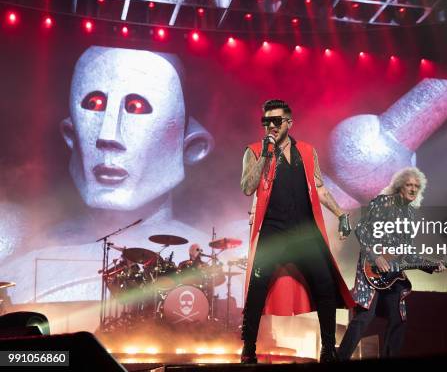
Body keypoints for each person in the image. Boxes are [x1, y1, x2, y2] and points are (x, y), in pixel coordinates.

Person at [0, 46, 215, 304]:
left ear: (192, 145)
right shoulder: (21, 257)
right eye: (94, 104)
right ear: (71, 134)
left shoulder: (211, 262)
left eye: (137, 107)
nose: (107, 136)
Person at [239, 99, 355, 363]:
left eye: (276, 121)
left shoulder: (306, 151)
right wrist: (267, 154)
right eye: (266, 121)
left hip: (304, 233)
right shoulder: (255, 151)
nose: (270, 126)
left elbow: (320, 188)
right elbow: (248, 186)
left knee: (325, 286)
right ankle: (248, 349)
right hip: (273, 230)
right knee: (257, 289)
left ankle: (328, 348)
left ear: (289, 123)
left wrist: (340, 214)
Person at [337, 167, 445, 360]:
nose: (413, 189)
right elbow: (362, 229)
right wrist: (375, 255)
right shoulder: (383, 203)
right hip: (372, 268)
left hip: (393, 275)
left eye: (416, 186)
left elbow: (408, 254)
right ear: (399, 187)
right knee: (364, 318)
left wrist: (432, 265)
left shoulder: (410, 215)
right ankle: (339, 359)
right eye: (409, 185)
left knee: (399, 318)